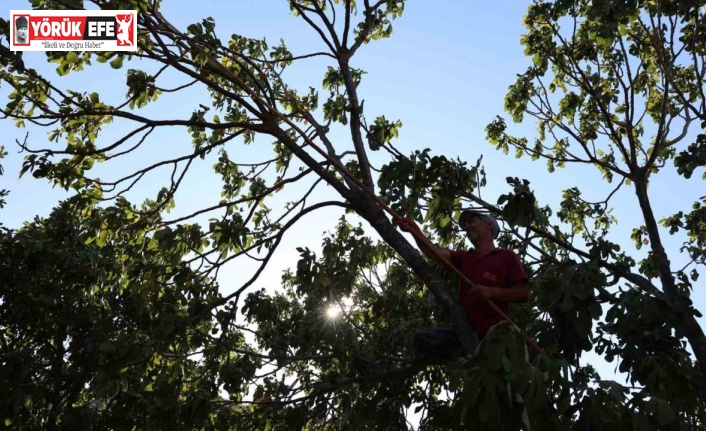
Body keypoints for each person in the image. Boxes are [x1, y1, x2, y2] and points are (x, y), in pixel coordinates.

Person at [394, 209, 528, 369]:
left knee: (522, 356)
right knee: (421, 339)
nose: (467, 226)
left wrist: (493, 292)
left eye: (472, 221)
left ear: (489, 225)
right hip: (466, 331)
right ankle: (465, 357)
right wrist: (413, 229)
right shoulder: (465, 257)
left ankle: (475, 359)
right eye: (466, 224)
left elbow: (523, 293)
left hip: (495, 334)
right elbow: (434, 253)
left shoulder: (506, 256)